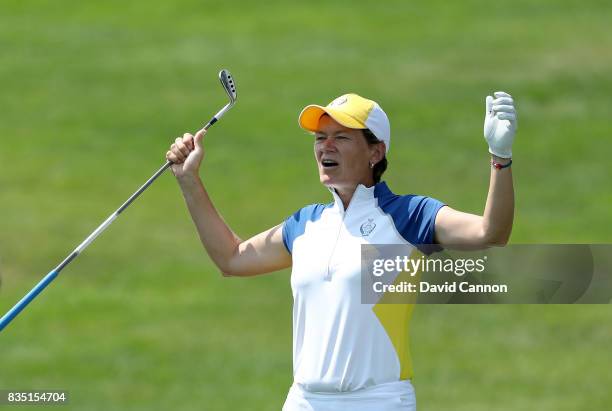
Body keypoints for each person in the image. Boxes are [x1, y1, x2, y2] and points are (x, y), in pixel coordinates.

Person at [165, 91, 516, 411]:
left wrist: (499, 157)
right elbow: (232, 258)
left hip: (378, 401)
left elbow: (491, 233)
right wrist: (189, 180)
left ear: (375, 152)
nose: (325, 147)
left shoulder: (408, 216)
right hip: (304, 401)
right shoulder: (304, 224)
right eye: (320, 138)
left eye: (341, 138)